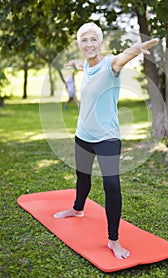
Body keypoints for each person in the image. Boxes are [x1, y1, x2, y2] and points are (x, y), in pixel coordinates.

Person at [54, 22, 158, 259]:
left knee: (111, 186)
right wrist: (76, 63)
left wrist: (137, 48)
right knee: (82, 177)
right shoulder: (87, 66)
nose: (89, 44)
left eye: (93, 40)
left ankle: (113, 240)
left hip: (106, 139)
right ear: (79, 44)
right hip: (82, 135)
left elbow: (122, 58)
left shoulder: (111, 63)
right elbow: (85, 65)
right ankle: (78, 209)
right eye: (84, 40)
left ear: (101, 42)